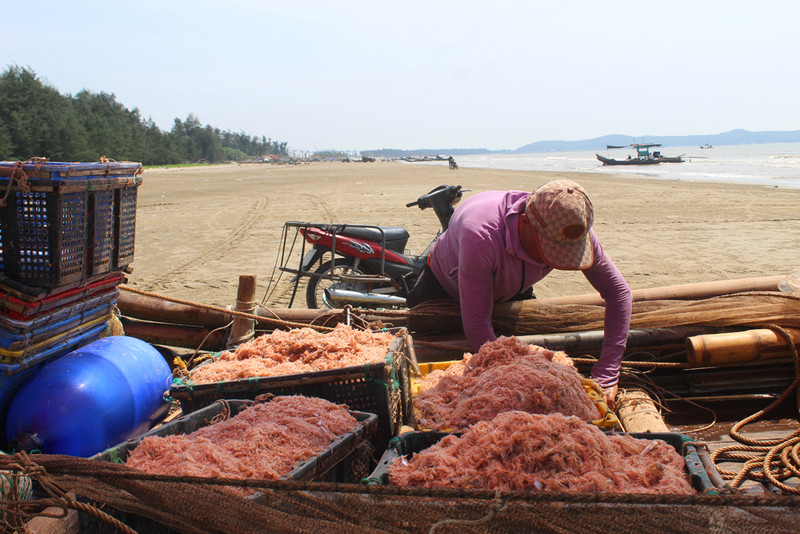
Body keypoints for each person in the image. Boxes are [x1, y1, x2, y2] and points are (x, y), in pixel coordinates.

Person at [406, 180, 632, 408]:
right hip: (443, 285)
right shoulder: (482, 235)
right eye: (551, 250)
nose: (555, 259)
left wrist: (608, 372)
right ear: (524, 223)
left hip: (513, 282)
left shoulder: (569, 225)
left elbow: (618, 293)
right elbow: (478, 327)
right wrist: (526, 379)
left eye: (566, 253)